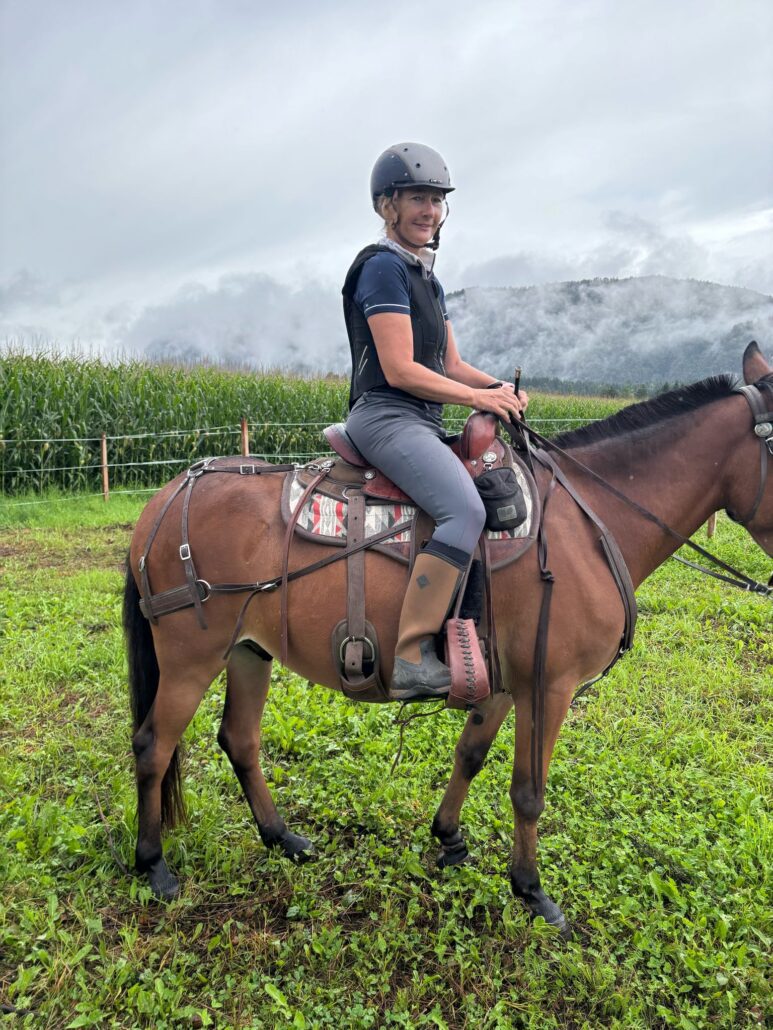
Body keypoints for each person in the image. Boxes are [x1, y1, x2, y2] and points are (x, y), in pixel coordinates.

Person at [342, 142, 528, 701]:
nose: (431, 211)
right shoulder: (381, 270)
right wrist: (480, 401)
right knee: (464, 509)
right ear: (387, 206)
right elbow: (399, 369)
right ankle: (411, 653)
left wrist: (496, 389)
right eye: (418, 198)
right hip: (386, 416)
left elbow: (449, 365)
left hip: (420, 416)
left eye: (438, 201)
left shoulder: (428, 278)